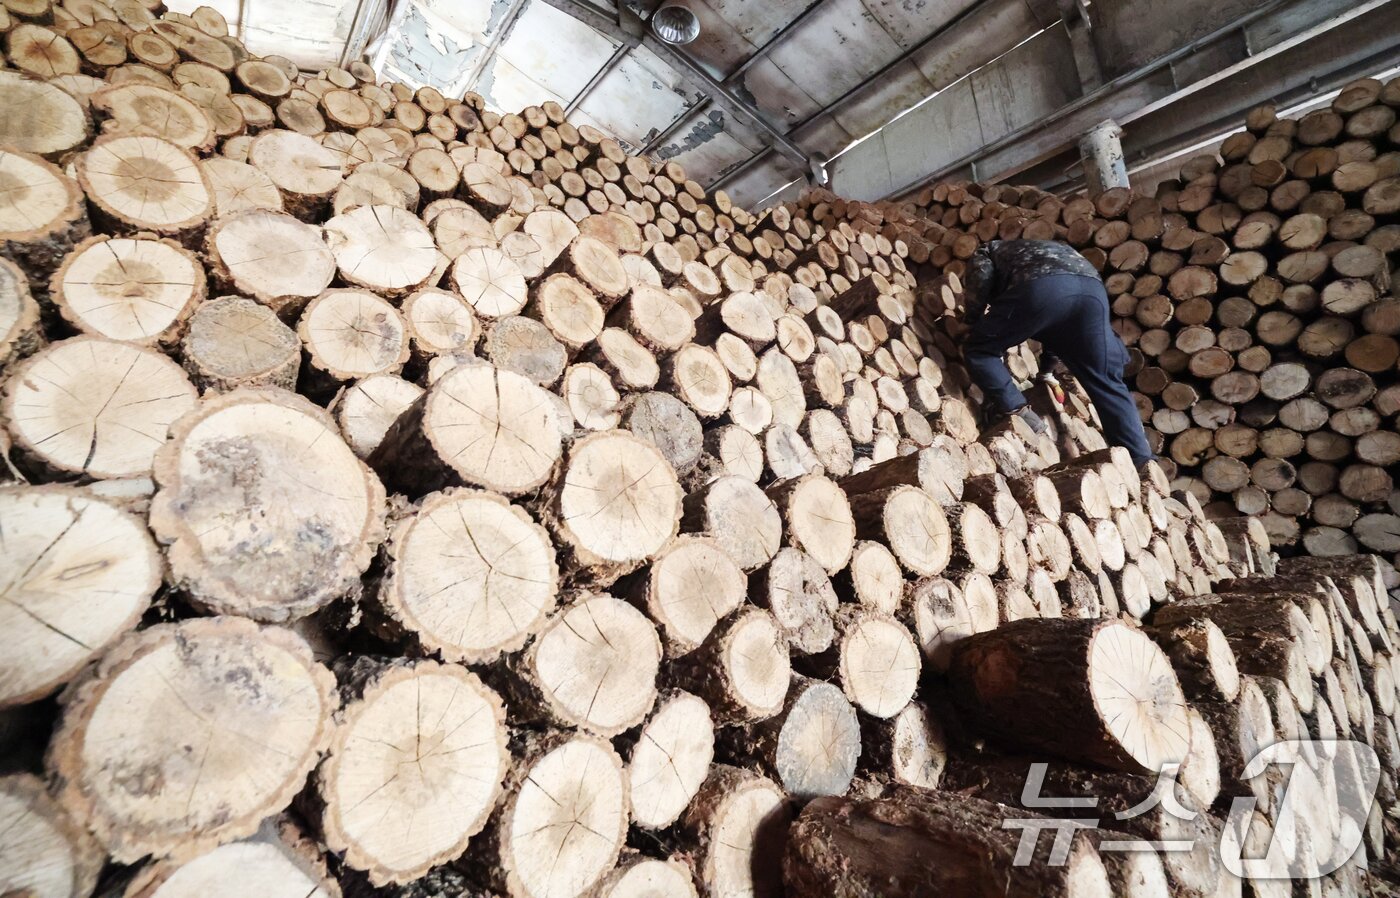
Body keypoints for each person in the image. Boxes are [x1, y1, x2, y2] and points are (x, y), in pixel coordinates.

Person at [960, 239, 1154, 466]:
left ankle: (1019, 412)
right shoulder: (1049, 249)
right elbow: (1059, 333)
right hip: (1092, 292)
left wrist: (972, 319)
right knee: (1107, 382)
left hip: (1040, 287)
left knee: (980, 349)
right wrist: (1047, 371)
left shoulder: (987, 250)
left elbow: (981, 277)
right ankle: (1142, 461)